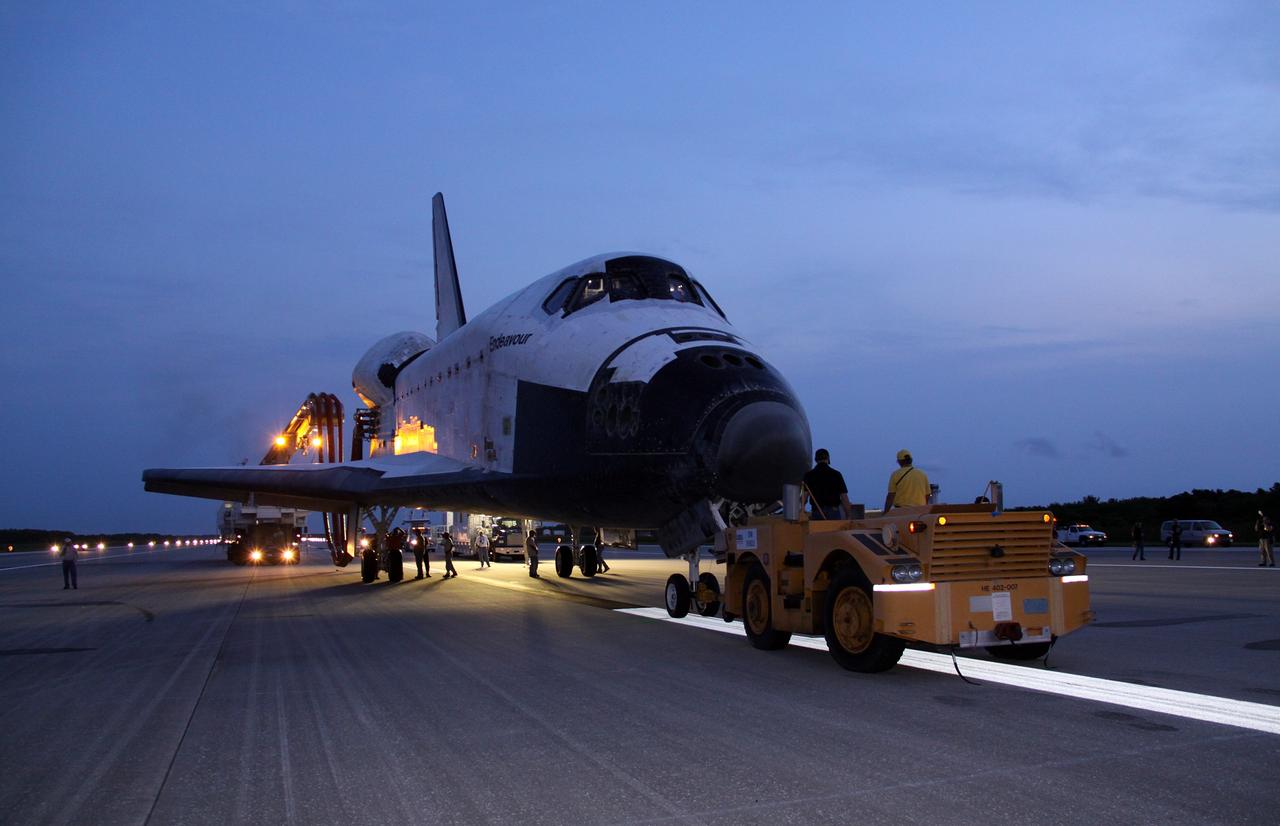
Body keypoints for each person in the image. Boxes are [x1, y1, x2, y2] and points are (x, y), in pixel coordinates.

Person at [802, 448, 852, 520]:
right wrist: (848, 516)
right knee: (835, 531)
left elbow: (804, 498)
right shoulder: (836, 474)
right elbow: (844, 498)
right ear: (828, 459)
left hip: (817, 512)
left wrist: (801, 511)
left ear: (816, 460)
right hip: (833, 512)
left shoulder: (809, 475)